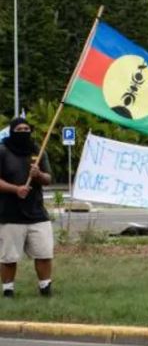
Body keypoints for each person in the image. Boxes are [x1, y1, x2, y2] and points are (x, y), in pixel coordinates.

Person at [0, 117, 54, 298]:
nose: (23, 132)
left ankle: (45, 287)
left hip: (37, 213)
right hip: (9, 214)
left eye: (26, 129)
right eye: (19, 130)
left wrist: (38, 174)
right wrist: (16, 189)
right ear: (12, 131)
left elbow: (48, 179)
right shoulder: (2, 151)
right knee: (9, 258)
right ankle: (8, 290)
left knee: (44, 253)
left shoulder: (38, 151)